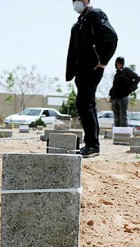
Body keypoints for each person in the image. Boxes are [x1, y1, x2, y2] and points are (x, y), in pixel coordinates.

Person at [66, 0, 117, 158]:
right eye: (73, 1)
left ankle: (92, 145)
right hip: (80, 71)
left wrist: (103, 62)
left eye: (79, 0)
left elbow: (112, 37)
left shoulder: (95, 14)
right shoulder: (79, 23)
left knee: (84, 104)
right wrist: (72, 72)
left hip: (92, 68)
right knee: (86, 105)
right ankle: (91, 144)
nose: (76, 3)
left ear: (87, 1)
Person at [108, 56, 139, 127]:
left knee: (123, 117)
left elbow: (137, 77)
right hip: (115, 98)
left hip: (123, 97)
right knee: (116, 118)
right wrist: (110, 96)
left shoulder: (126, 70)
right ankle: (117, 133)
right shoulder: (117, 74)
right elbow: (114, 86)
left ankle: (124, 135)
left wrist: (132, 88)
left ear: (119, 63)